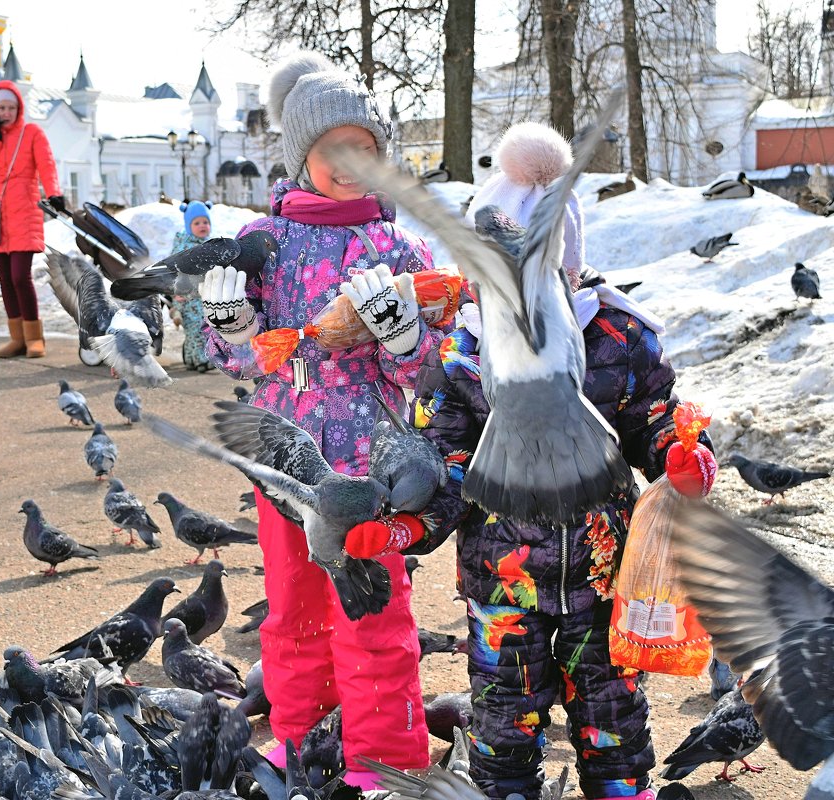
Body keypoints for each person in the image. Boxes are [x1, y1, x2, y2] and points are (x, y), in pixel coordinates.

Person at [345, 122, 717, 800]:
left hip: (606, 578)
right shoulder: (464, 352)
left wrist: (681, 457)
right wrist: (408, 527)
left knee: (613, 719)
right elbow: (446, 461)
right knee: (503, 725)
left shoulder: (614, 333)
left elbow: (652, 416)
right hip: (501, 582)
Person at [201, 52, 439, 789]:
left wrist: (406, 338)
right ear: (302, 156)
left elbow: (429, 377)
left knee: (372, 619)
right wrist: (233, 327)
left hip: (368, 474)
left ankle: (384, 760)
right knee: (294, 613)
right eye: (334, 149)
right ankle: (304, 740)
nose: (351, 164)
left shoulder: (397, 247)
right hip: (286, 471)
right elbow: (242, 365)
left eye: (366, 150)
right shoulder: (265, 246)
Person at [0, 79, 65, 358]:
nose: (6, 112)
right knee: (4, 278)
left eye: (11, 107)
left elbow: (46, 164)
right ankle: (18, 339)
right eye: (1, 107)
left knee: (19, 276)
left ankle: (35, 338)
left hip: (24, 208)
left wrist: (54, 193)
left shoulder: (32, 132)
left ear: (18, 108)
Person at [170, 200, 214, 371]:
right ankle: (200, 360)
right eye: (196, 223)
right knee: (195, 328)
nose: (202, 226)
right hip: (187, 296)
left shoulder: (210, 244)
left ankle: (191, 359)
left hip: (203, 296)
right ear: (189, 226)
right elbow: (175, 270)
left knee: (203, 327)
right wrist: (177, 292)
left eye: (205, 222)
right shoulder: (184, 247)